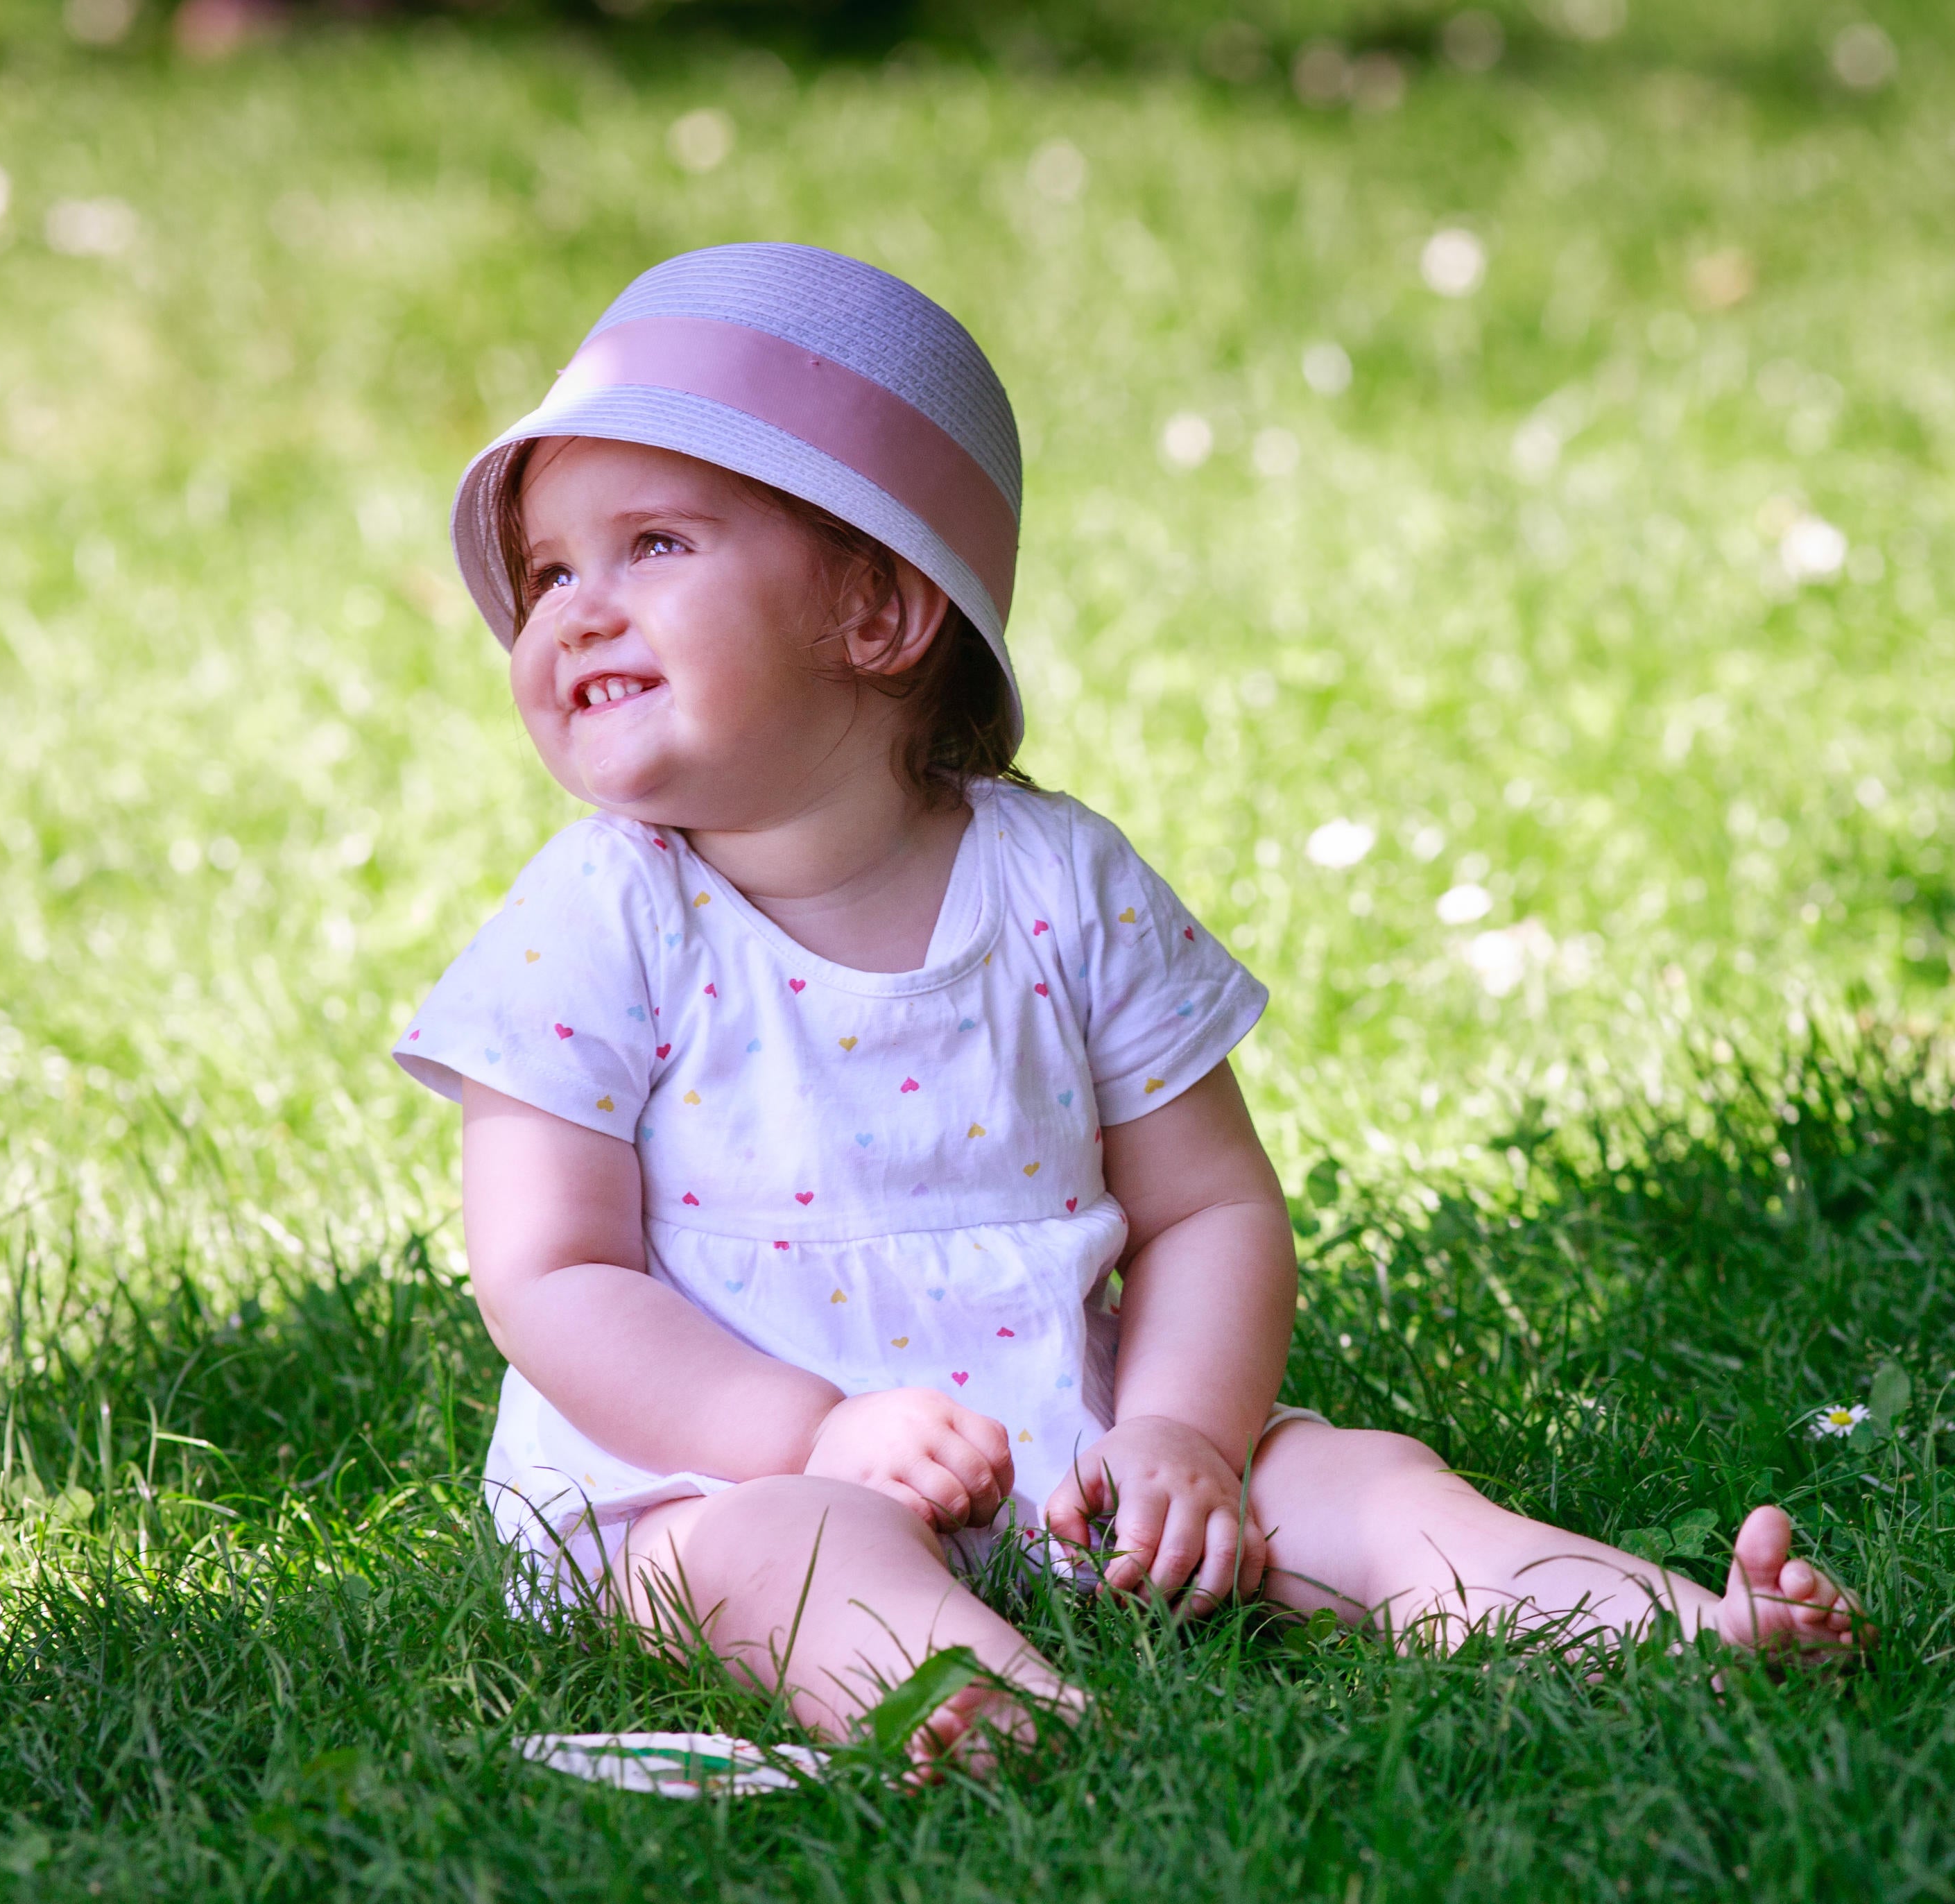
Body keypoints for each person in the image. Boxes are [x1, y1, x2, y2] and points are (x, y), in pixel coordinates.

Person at [395, 243, 1867, 1773]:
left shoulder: (1058, 878)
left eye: (652, 544)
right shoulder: (600, 917)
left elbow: (1210, 1209)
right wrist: (809, 1433)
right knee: (789, 1555)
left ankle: (1680, 1632)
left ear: (881, 609)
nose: (575, 609)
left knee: (1363, 1479)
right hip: (705, 1478)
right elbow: (551, 1270)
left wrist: (1176, 1431)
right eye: (551, 569)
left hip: (1072, 1452)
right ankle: (983, 1705)